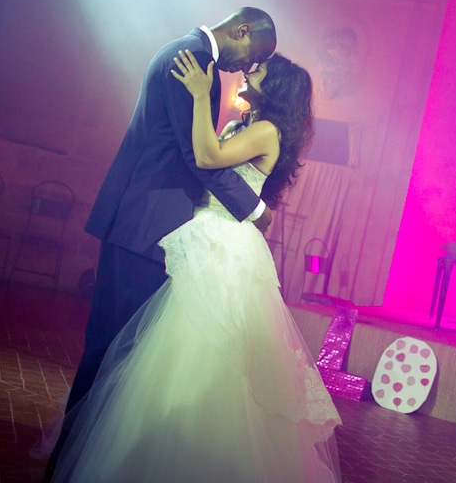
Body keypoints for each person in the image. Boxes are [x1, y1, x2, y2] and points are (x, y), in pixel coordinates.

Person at [50, 51, 342, 482]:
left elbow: (206, 157)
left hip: (224, 245)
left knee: (200, 349)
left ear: (276, 87)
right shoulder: (250, 123)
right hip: (207, 234)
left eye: (257, 71)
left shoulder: (265, 130)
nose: (247, 73)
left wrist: (203, 93)